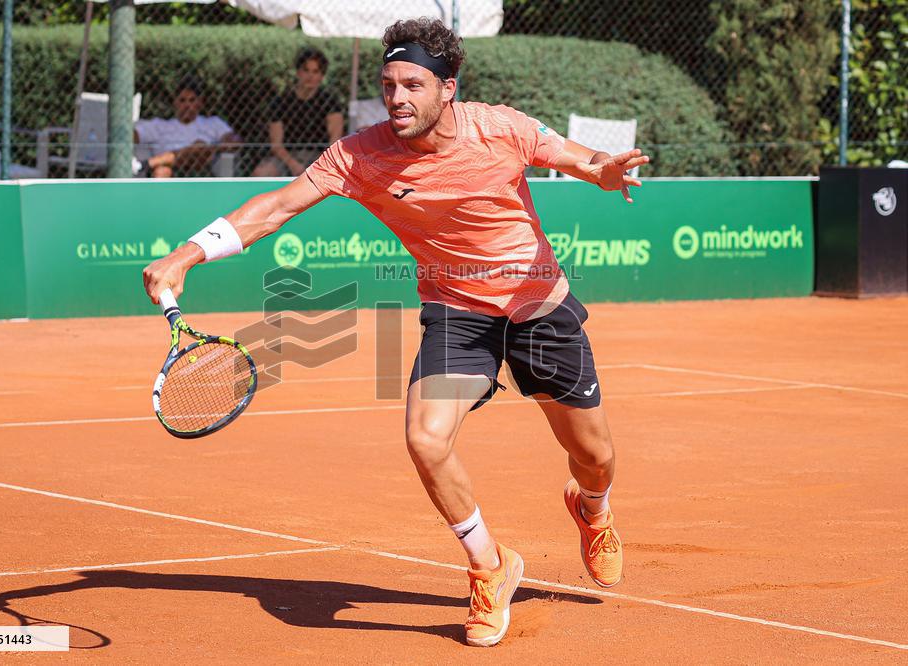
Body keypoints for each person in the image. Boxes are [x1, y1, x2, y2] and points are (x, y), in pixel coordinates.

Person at [144, 18, 648, 648]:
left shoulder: (501, 127)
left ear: (449, 88)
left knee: (594, 458)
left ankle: (592, 511)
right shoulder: (360, 154)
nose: (398, 98)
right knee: (424, 436)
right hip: (457, 312)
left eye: (413, 84)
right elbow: (275, 207)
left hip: (537, 306)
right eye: (389, 85)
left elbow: (578, 157)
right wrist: (188, 253)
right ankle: (491, 567)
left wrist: (605, 171)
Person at [251, 48, 343, 177]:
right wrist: (293, 164)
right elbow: (276, 145)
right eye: (306, 70)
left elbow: (334, 141)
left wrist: (319, 165)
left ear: (321, 76)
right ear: (298, 72)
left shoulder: (330, 102)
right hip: (287, 156)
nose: (310, 76)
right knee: (261, 172)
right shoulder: (281, 101)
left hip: (320, 156)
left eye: (315, 71)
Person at [134, 77, 238, 178]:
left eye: (192, 100)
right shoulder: (160, 125)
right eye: (182, 100)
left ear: (200, 102)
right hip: (170, 169)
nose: (187, 105)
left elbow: (234, 140)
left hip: (203, 168)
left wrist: (213, 147)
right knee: (161, 172)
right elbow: (133, 136)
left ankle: (146, 164)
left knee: (200, 146)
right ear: (175, 102)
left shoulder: (213, 123)